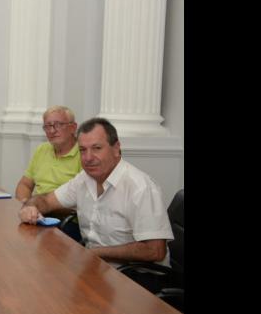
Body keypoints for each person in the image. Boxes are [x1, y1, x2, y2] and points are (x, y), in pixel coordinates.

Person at [18, 118, 173, 267]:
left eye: (97, 148)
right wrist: (30, 207)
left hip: (135, 277)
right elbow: (45, 200)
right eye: (82, 150)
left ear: (116, 148)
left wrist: (94, 253)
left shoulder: (140, 187)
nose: (88, 158)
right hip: (94, 265)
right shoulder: (85, 179)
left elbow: (154, 250)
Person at [15, 105, 82, 241]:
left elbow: (82, 202)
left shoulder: (84, 154)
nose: (52, 130)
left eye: (58, 125)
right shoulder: (42, 150)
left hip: (66, 221)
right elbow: (25, 184)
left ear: (73, 128)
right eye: (47, 126)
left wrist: (41, 206)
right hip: (36, 214)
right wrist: (27, 204)